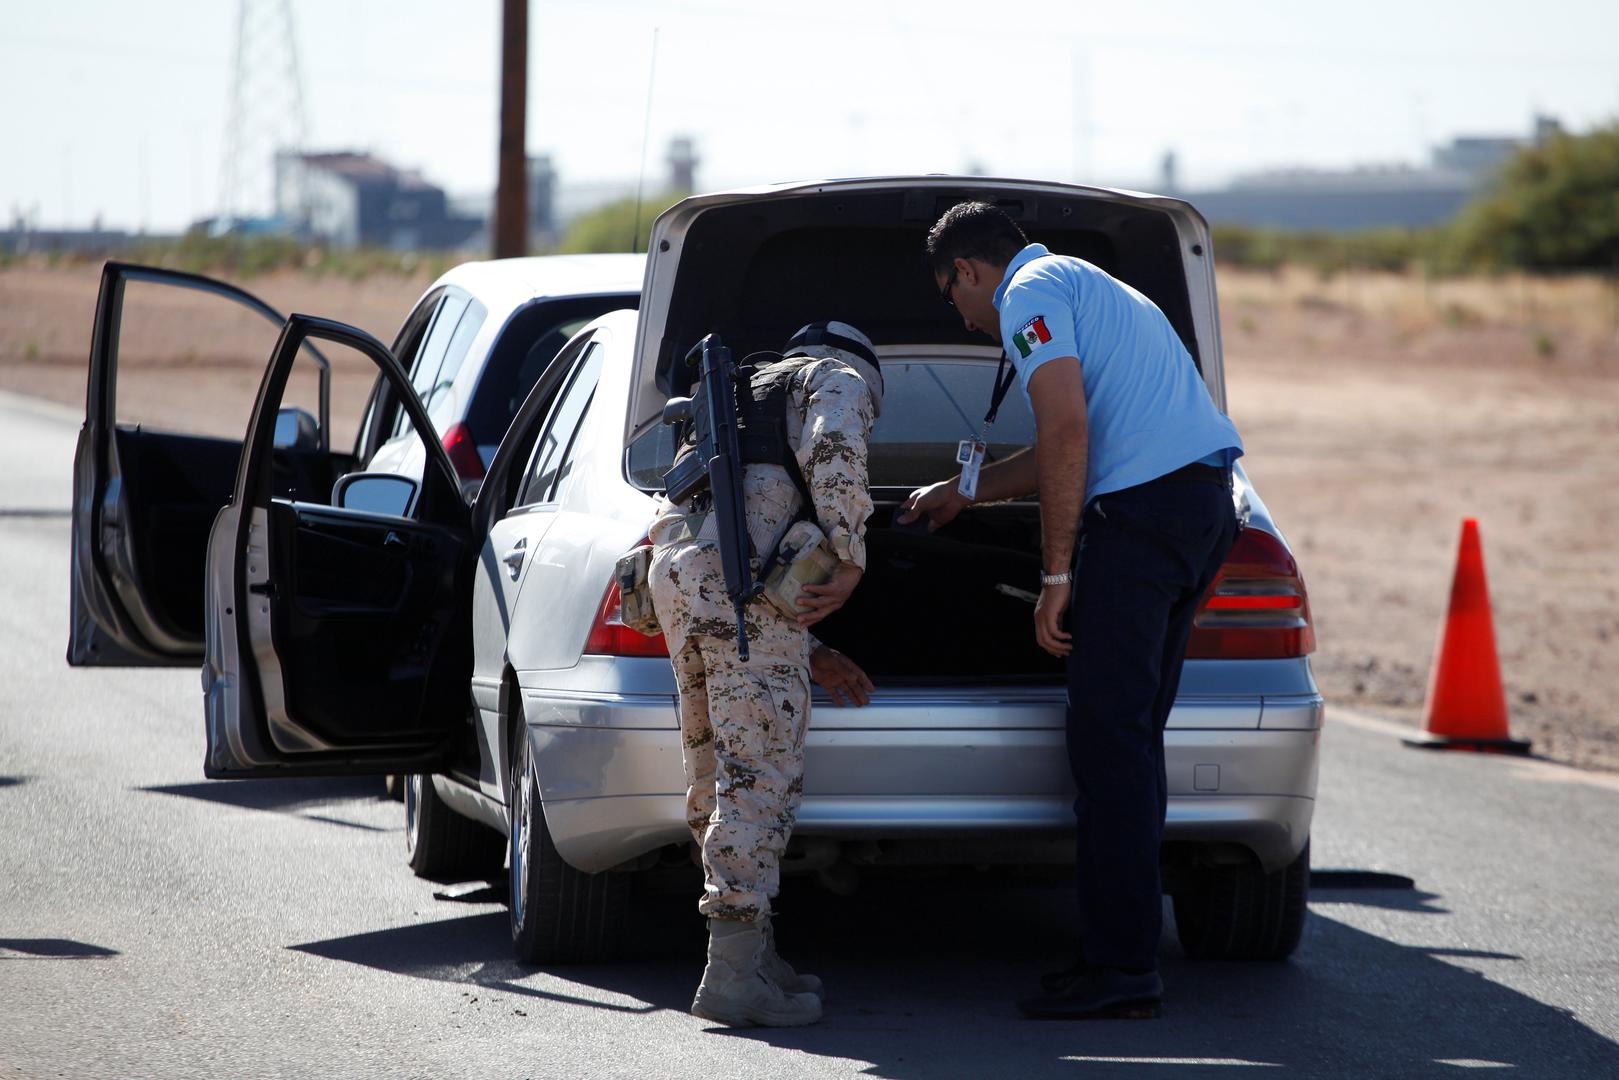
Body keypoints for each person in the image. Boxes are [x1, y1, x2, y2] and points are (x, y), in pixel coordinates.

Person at [898, 201, 1243, 1019]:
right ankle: (1123, 953)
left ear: (968, 271)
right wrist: (964, 491)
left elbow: (1065, 429)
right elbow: (1074, 439)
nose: (963, 317)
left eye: (951, 296)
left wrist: (1057, 574)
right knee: (1131, 744)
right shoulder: (1092, 284)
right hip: (1199, 511)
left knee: (1107, 747)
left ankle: (1120, 968)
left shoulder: (1027, 292)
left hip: (1142, 523)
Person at [648, 320, 882, 1027]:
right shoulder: (834, 378)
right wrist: (850, 556)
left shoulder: (741, 389)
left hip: (677, 579)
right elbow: (835, 453)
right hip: (741, 586)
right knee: (756, 775)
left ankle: (753, 956)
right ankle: (732, 977)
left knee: (713, 768)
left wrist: (808, 647)